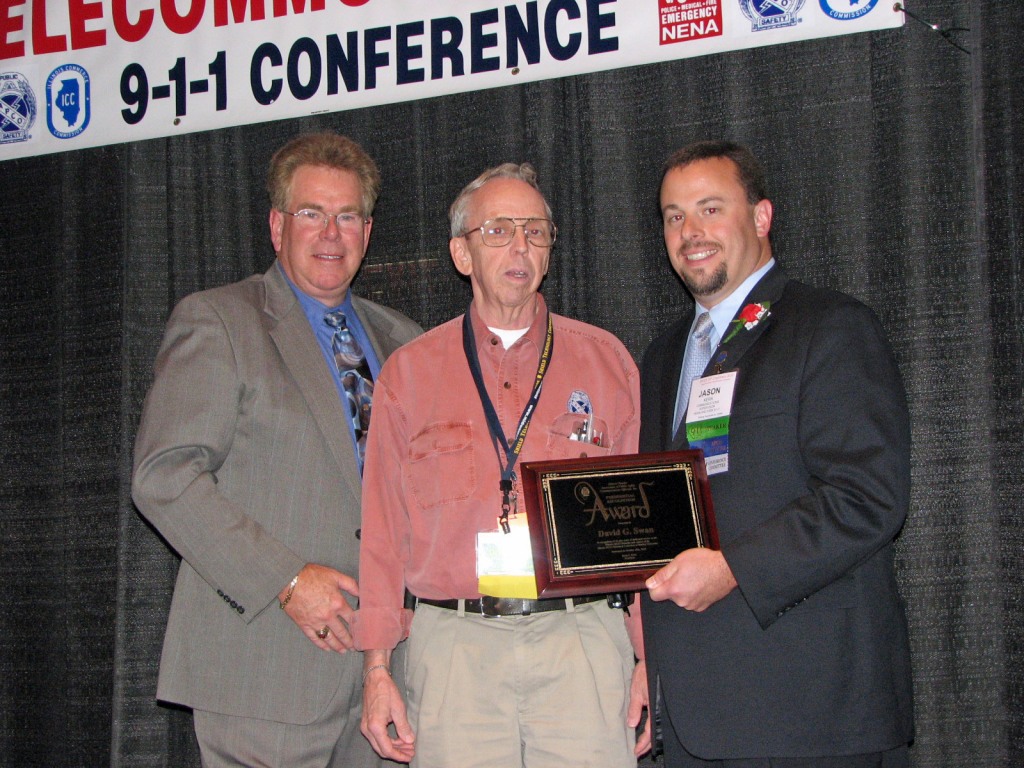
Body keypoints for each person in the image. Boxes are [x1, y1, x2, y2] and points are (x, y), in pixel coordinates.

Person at [132, 132, 422, 767]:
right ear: (276, 225)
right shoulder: (220, 321)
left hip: (385, 673)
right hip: (263, 668)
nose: (330, 233)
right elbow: (164, 476)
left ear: (367, 232)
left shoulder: (405, 341)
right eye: (311, 213)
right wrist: (286, 581)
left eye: (347, 216)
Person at [355, 162, 651, 767]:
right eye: (498, 230)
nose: (520, 245)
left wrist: (650, 660)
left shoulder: (607, 363)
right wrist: (378, 668)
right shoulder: (409, 374)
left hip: (583, 642)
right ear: (461, 254)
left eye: (535, 231)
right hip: (455, 650)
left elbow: (640, 537)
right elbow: (384, 533)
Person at [639, 140, 914, 767]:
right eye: (674, 215)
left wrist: (734, 567)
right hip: (695, 718)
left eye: (711, 208)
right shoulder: (662, 357)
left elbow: (868, 497)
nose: (691, 232)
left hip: (810, 714)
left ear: (761, 218)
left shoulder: (829, 326)